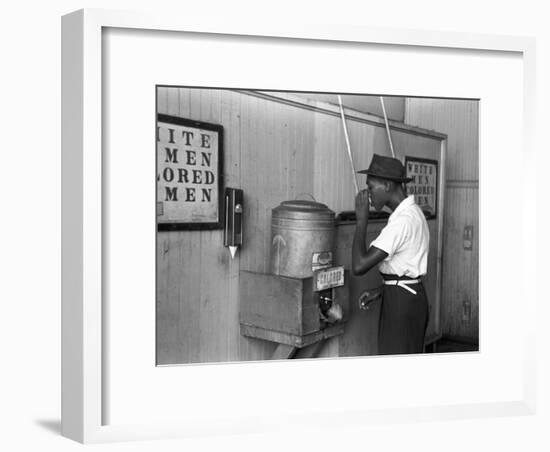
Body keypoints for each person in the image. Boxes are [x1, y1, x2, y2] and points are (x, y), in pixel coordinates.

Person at [352, 154, 429, 355]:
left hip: (402, 304)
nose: (368, 195)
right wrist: (383, 290)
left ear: (387, 185)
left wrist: (361, 220)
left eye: (370, 187)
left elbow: (359, 265)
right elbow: (405, 268)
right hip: (404, 296)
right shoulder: (412, 213)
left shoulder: (403, 221)